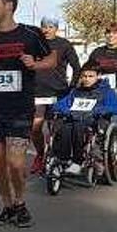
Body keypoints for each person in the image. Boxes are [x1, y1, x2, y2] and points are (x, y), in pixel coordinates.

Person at [0, 0, 56, 228]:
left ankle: (20, 202)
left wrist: (35, 63)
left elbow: (52, 59)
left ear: (9, 6)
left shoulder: (30, 34)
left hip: (19, 107)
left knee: (16, 163)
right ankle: (7, 206)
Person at [30, 17, 81, 174]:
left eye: (50, 27)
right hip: (37, 92)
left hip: (58, 93)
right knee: (35, 127)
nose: (46, 30)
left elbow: (76, 67)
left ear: (56, 28)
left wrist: (72, 87)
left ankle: (55, 158)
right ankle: (40, 155)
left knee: (56, 129)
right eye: (44, 26)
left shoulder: (64, 44)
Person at [51, 61, 117, 174]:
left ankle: (78, 161)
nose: (87, 79)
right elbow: (60, 104)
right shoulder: (76, 91)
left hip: (95, 121)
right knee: (65, 128)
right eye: (84, 76)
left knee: (78, 127)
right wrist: (66, 110)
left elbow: (115, 107)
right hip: (75, 118)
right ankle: (63, 159)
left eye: (90, 76)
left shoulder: (107, 91)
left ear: (98, 76)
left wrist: (98, 110)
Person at [87, 22, 117, 94]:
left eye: (115, 32)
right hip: (99, 94)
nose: (111, 35)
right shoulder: (97, 52)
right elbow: (87, 72)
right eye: (108, 32)